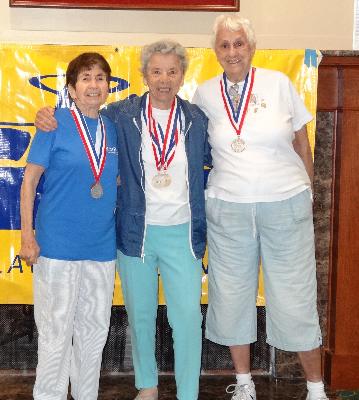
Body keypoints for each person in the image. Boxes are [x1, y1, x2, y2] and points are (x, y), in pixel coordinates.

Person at [34, 40, 211, 400]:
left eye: (172, 71)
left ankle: (188, 393)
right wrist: (46, 114)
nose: (164, 79)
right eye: (156, 71)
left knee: (188, 321)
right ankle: (147, 386)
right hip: (136, 233)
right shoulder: (122, 114)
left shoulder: (196, 118)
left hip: (182, 232)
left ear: (182, 76)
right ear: (144, 75)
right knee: (141, 316)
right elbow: (84, 116)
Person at [192, 14, 328, 400]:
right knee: (232, 295)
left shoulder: (279, 83)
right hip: (229, 207)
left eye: (239, 43)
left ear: (251, 47)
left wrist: (306, 185)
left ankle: (316, 389)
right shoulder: (203, 94)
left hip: (283, 203)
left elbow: (302, 140)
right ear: (215, 51)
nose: (232, 51)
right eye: (224, 45)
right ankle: (246, 384)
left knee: (295, 295)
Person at [20, 52, 118, 400]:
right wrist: (27, 236)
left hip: (101, 249)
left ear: (109, 86)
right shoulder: (55, 123)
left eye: (100, 78)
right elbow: (29, 182)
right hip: (58, 247)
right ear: (72, 89)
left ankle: (86, 395)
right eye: (86, 78)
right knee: (55, 331)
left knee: (95, 333)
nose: (94, 84)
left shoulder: (113, 128)